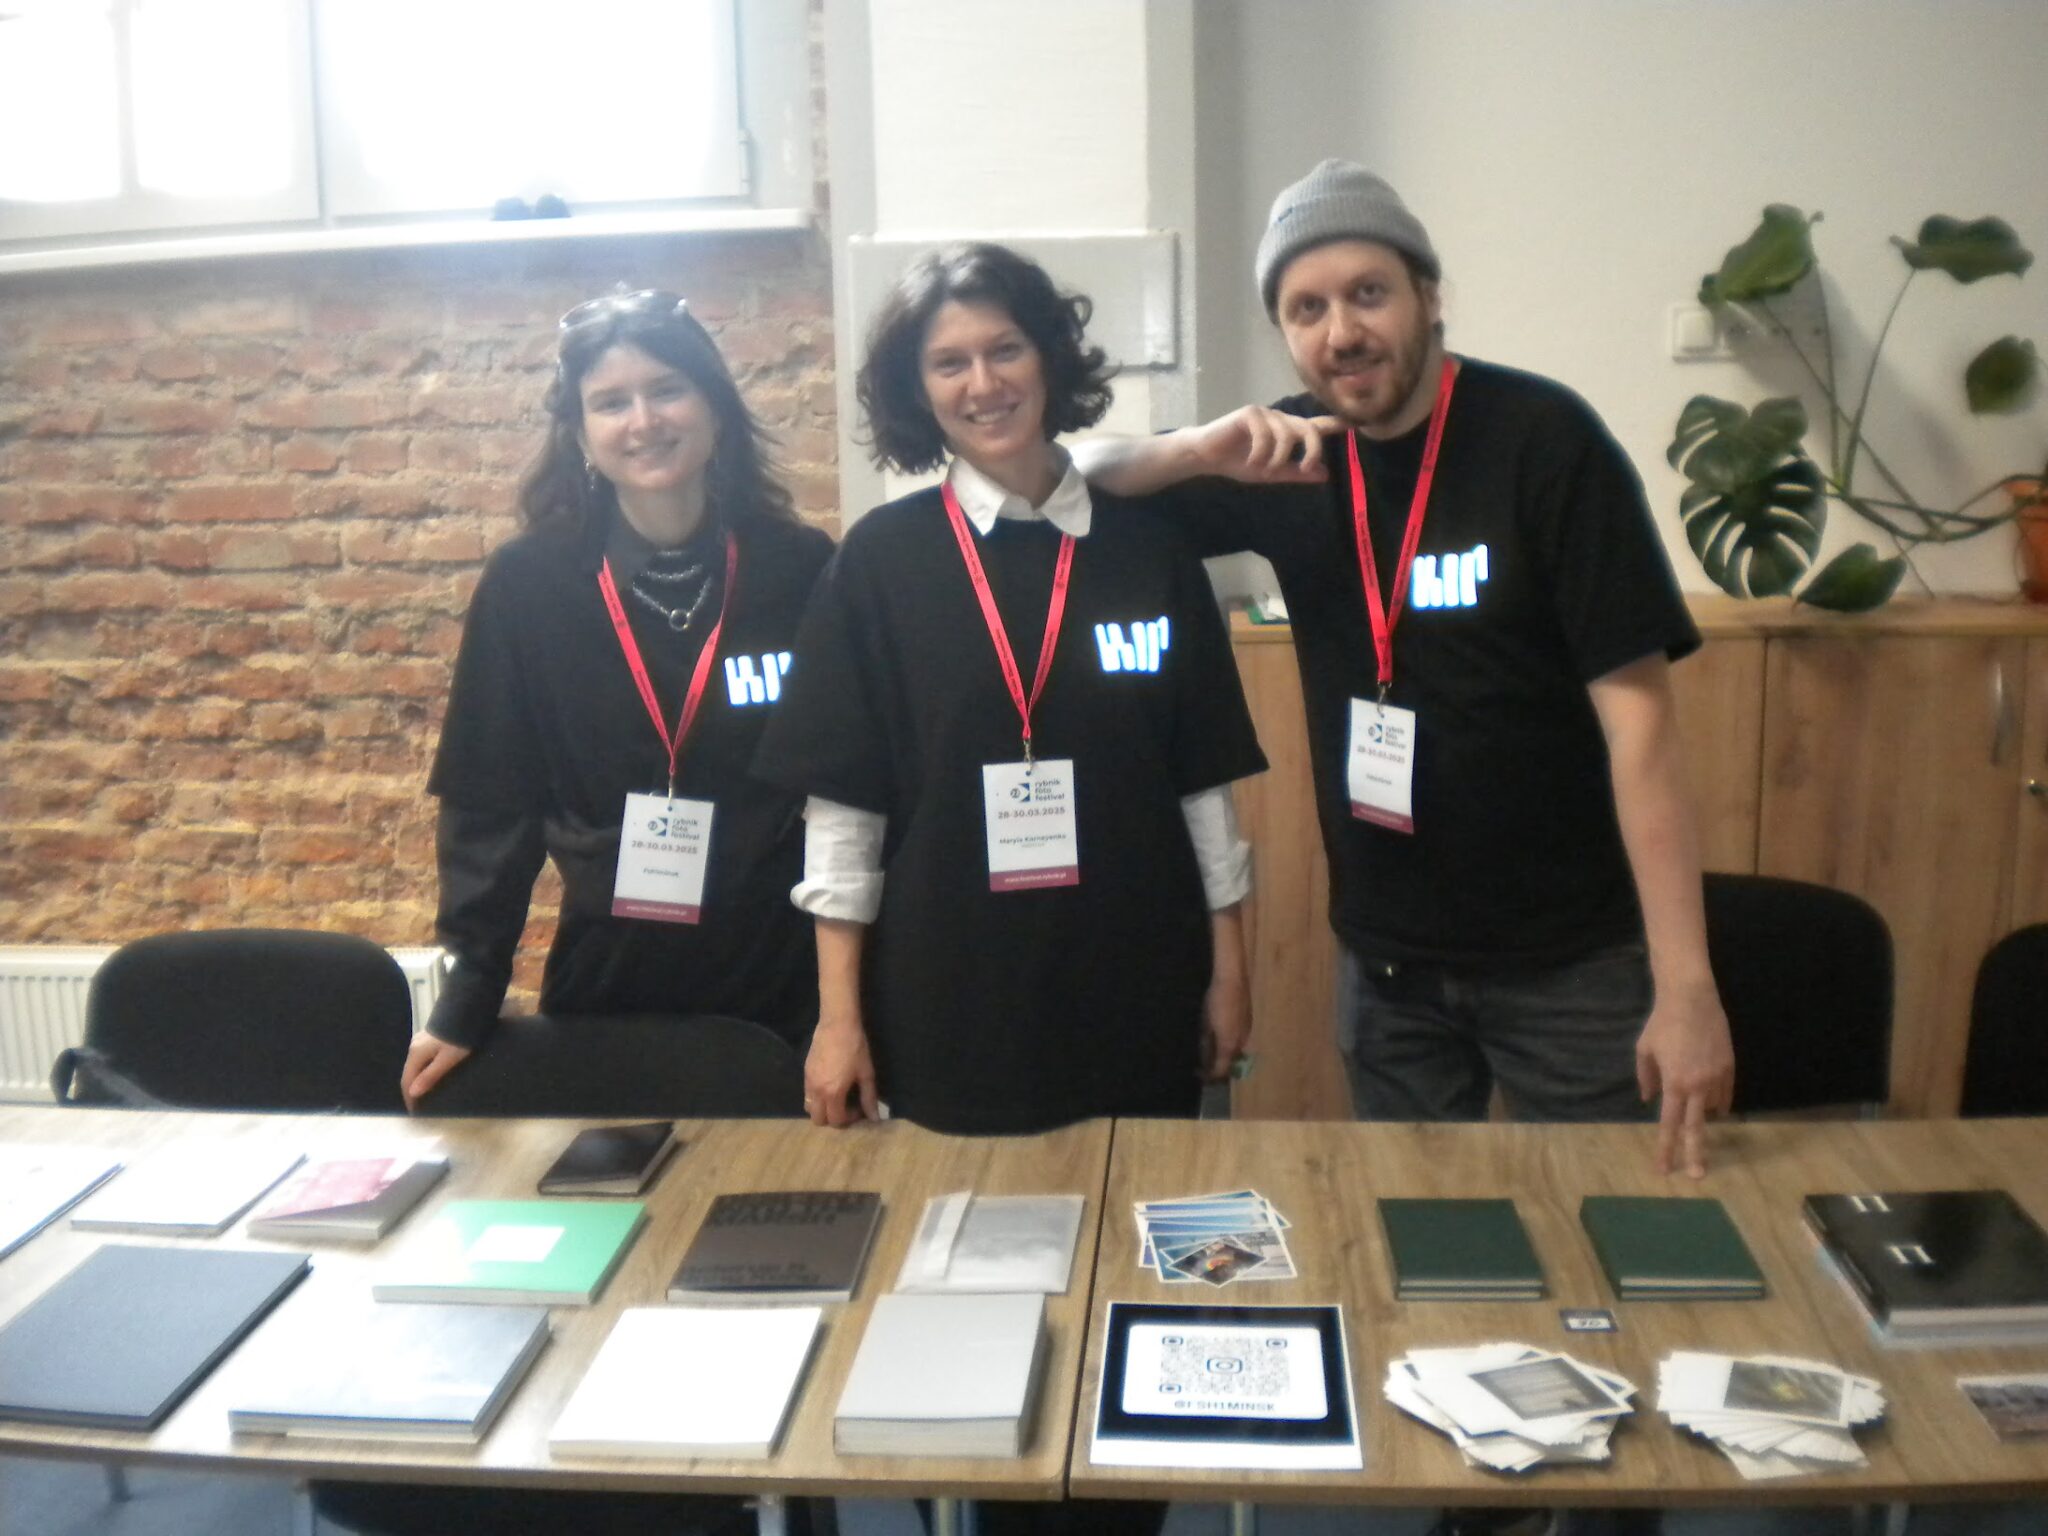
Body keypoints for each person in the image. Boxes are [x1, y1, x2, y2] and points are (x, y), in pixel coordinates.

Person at [1077, 161, 1735, 1180]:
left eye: (1367, 293)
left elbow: (1640, 727)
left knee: (1620, 1225)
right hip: (1387, 970)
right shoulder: (1285, 458)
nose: (1340, 331)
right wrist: (1197, 449)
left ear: (1429, 296)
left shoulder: (1542, 440)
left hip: (1573, 967)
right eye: (1305, 309)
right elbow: (1070, 483)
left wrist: (1685, 987)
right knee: (1426, 1234)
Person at [754, 242, 1267, 1146]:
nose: (983, 384)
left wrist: (1230, 970)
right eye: (949, 363)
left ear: (1049, 359)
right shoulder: (879, 563)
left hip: (1138, 978)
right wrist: (838, 1020)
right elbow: (844, 817)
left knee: (1129, 1207)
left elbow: (1203, 790)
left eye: (1005, 350)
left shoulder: (1149, 551)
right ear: (918, 391)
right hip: (948, 993)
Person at [400, 288, 832, 1109]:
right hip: (612, 969)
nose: (644, 421)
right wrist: (467, 994)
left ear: (715, 408)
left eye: (668, 389)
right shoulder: (528, 587)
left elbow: (848, 786)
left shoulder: (800, 568)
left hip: (781, 969)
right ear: (579, 434)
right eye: (611, 402)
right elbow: (490, 807)